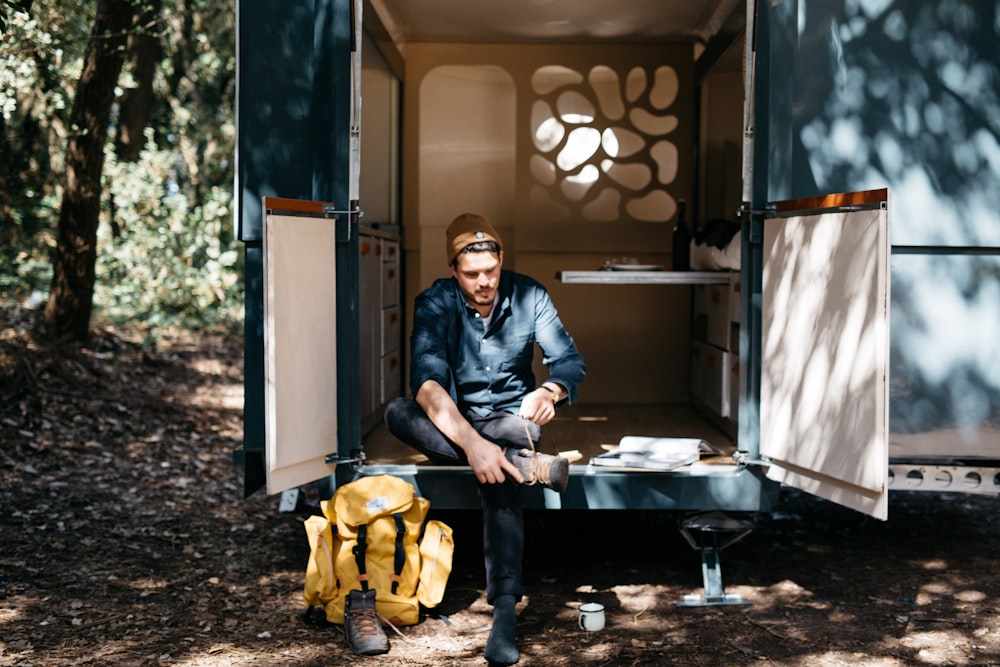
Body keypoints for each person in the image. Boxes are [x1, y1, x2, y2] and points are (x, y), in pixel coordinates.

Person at [384, 212, 586, 665]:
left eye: (491, 271)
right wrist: (474, 446)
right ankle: (523, 462)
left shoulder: (531, 293)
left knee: (513, 445)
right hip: (456, 419)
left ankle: (505, 613)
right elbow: (428, 386)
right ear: (454, 270)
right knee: (399, 411)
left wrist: (550, 390)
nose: (484, 282)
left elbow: (570, 361)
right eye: (472, 274)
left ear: (500, 260)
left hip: (510, 420)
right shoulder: (434, 302)